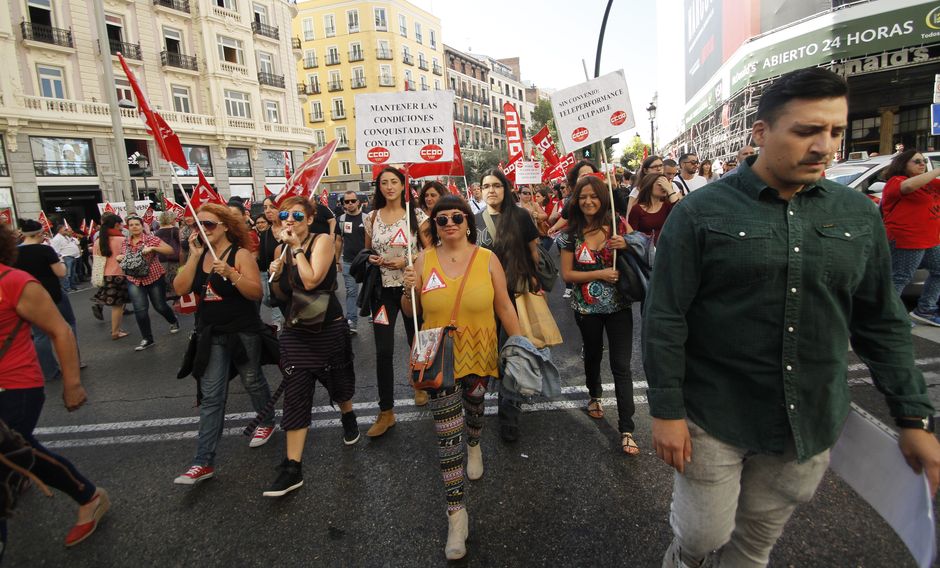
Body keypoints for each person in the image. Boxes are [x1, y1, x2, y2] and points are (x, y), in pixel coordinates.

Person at [644, 67, 940, 568]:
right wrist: (667, 411)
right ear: (761, 133)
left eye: (835, 131)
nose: (825, 146)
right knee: (701, 537)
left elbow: (881, 322)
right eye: (806, 130)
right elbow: (666, 315)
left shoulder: (857, 215)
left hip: (808, 421)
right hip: (715, 414)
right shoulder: (700, 213)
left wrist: (912, 417)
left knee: (755, 545)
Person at [402, 196, 522, 560]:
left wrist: (519, 348)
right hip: (439, 358)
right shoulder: (422, 260)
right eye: (442, 219)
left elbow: (503, 305)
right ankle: (457, 515)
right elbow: (412, 311)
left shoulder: (488, 259)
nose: (450, 223)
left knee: (474, 411)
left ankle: (475, 442)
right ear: (434, 226)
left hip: (480, 352)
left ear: (468, 222)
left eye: (457, 217)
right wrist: (407, 288)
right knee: (445, 439)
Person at [0, 223, 108, 550]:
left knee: (15, 449)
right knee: (14, 455)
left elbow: (61, 331)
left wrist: (72, 383)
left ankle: (88, 496)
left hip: (15, 385)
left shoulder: (15, 281)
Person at [172, 203, 275, 484]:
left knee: (252, 380)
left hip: (243, 332)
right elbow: (179, 289)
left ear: (226, 227)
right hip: (211, 334)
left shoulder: (240, 254)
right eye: (198, 225)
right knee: (211, 397)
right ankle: (202, 462)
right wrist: (193, 258)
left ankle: (266, 421)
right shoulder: (199, 254)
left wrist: (231, 273)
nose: (202, 229)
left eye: (208, 224)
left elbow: (255, 293)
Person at [263, 196, 358, 497]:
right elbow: (278, 296)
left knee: (338, 382)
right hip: (296, 328)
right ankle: (292, 468)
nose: (289, 220)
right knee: (296, 392)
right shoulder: (280, 248)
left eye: (297, 216)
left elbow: (313, 279)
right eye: (284, 215)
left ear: (310, 218)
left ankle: (347, 413)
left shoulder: (322, 242)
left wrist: (296, 249)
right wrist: (274, 273)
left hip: (327, 325)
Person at [559, 176, 638, 456]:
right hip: (586, 308)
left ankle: (627, 428)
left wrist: (625, 245)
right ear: (576, 201)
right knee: (593, 355)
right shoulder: (570, 233)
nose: (588, 201)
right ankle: (594, 395)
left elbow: (640, 249)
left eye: (593, 196)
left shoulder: (616, 224)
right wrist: (601, 274)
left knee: (621, 365)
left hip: (619, 306)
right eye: (582, 197)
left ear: (602, 197)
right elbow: (567, 275)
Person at [364, 167, 431, 436]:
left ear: (404, 186)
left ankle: (420, 384)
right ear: (378, 187)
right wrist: (370, 258)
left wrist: (407, 261)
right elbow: (366, 250)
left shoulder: (416, 215)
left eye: (394, 182)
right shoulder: (371, 217)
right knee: (383, 350)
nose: (389, 186)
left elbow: (429, 250)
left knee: (415, 339)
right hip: (381, 292)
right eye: (384, 183)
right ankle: (386, 412)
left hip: (410, 287)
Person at [475, 168, 541, 442]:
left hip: (515, 296)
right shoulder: (473, 220)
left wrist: (537, 287)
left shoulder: (522, 216)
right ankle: (475, 411)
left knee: (514, 355)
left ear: (505, 188)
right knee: (484, 357)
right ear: (479, 190)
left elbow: (534, 252)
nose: (491, 190)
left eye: (497, 185)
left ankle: (509, 416)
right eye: (486, 186)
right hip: (482, 299)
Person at [15, 220, 82, 380]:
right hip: (52, 293)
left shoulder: (14, 252)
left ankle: (49, 371)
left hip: (28, 296)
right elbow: (60, 273)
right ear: (39, 233)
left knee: (40, 335)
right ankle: (74, 362)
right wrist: (60, 262)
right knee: (68, 325)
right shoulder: (45, 250)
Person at [880, 149, 940, 326]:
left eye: (923, 161)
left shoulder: (930, 184)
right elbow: (907, 187)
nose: (922, 164)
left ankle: (925, 310)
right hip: (908, 238)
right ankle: (888, 316)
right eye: (916, 161)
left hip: (930, 239)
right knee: (900, 277)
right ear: (903, 164)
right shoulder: (896, 181)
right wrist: (936, 170)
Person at [118, 215, 180, 351]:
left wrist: (153, 249)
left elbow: (170, 250)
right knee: (140, 309)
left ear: (142, 226)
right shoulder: (125, 243)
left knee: (160, 306)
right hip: (134, 279)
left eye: (137, 224)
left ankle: (173, 320)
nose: (134, 227)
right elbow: (125, 258)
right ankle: (147, 338)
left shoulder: (151, 239)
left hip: (153, 276)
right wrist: (120, 258)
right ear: (127, 228)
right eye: (131, 225)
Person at [91, 213, 129, 340]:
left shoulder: (98, 241)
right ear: (117, 224)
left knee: (117, 304)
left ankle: (116, 328)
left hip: (105, 274)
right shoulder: (122, 239)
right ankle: (115, 331)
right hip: (119, 273)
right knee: (118, 306)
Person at [335, 190, 366, 334]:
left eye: (353, 201)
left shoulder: (367, 218)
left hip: (366, 261)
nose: (350, 204)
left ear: (358, 202)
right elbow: (339, 240)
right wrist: (336, 260)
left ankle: (372, 313)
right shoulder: (341, 220)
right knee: (351, 292)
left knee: (370, 290)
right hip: (348, 262)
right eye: (347, 202)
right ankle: (352, 322)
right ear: (343, 204)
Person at [627, 174, 681, 243]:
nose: (664, 187)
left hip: (666, 248)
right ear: (649, 186)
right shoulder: (637, 209)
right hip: (646, 250)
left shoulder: (667, 205)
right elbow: (632, 236)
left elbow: (680, 214)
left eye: (665, 184)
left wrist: (670, 190)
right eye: (660, 184)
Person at [257, 196, 285, 329]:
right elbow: (263, 260)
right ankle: (278, 318)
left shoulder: (292, 230)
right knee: (269, 299)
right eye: (265, 207)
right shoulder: (265, 234)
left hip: (293, 277)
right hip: (273, 277)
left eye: (272, 207)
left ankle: (278, 320)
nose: (268, 211)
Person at [154, 212, 181, 302]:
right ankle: (177, 298)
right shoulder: (175, 230)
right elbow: (181, 243)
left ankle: (168, 294)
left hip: (161, 258)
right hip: (174, 257)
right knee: (175, 277)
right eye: (174, 219)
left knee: (166, 277)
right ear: (171, 220)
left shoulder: (157, 232)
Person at [50, 225, 81, 291]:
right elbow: (54, 250)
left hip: (72, 257)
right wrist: (61, 258)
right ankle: (67, 288)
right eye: (65, 230)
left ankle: (73, 286)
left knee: (72, 273)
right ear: (59, 230)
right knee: (66, 274)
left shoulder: (66, 237)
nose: (67, 231)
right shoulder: (56, 239)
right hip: (66, 258)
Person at [519, 185, 550, 250]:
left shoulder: (534, 204)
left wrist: (537, 215)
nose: (527, 195)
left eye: (529, 193)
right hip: (522, 239)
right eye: (525, 193)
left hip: (535, 238)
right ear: (519, 194)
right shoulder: (515, 206)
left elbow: (545, 216)